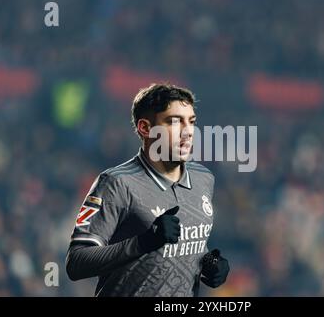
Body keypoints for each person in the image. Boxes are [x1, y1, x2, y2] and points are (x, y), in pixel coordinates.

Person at [65, 83, 230, 296]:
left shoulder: (203, 178)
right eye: (174, 122)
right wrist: (143, 242)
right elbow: (76, 262)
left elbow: (181, 247)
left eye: (191, 122)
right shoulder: (116, 183)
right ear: (145, 128)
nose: (188, 132)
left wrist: (208, 263)